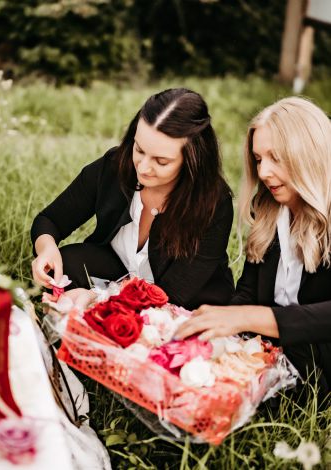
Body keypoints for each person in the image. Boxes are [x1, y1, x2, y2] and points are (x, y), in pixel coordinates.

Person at [175, 96, 331, 397]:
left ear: (309, 154)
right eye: (259, 159)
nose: (263, 173)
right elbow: (248, 291)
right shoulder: (269, 207)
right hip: (272, 351)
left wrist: (248, 319)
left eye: (277, 158)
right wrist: (219, 326)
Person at [31, 88, 234, 310]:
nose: (144, 167)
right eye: (139, 149)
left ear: (192, 161)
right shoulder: (114, 165)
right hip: (120, 272)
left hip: (184, 305)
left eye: (161, 161)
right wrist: (46, 248)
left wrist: (96, 297)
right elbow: (50, 220)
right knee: (65, 262)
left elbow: (174, 296)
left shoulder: (214, 202)